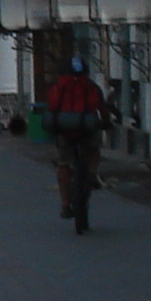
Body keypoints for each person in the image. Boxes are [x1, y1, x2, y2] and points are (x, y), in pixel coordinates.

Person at [42, 54, 109, 216]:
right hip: (87, 127)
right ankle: (92, 173)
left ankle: (65, 205)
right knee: (94, 149)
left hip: (64, 129)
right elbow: (102, 107)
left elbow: (50, 106)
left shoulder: (58, 86)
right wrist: (106, 122)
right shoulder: (91, 86)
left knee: (63, 163)